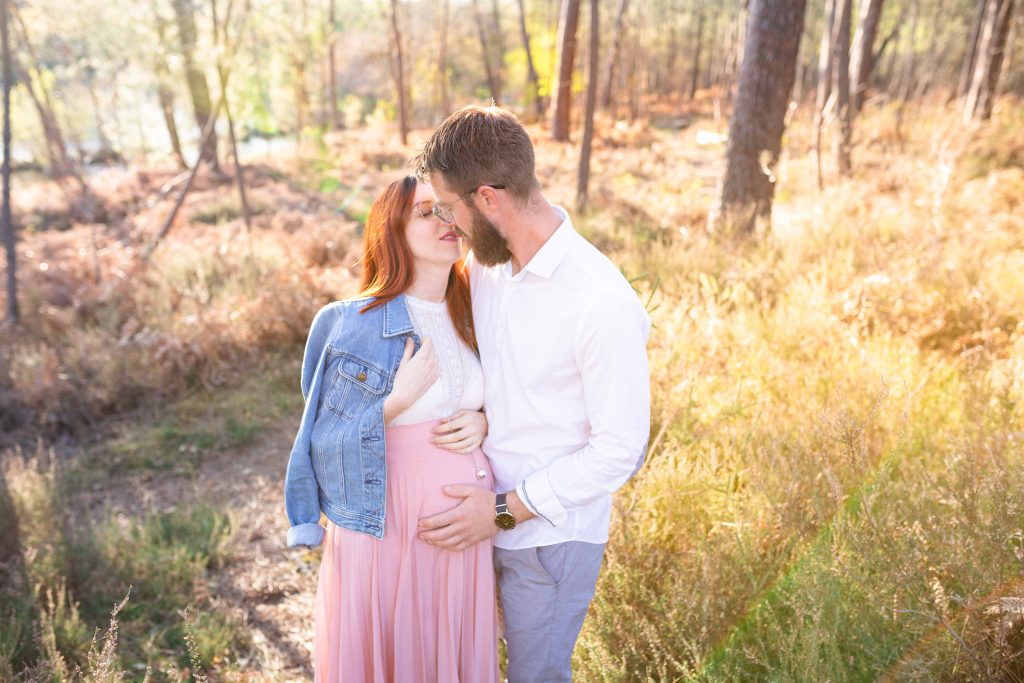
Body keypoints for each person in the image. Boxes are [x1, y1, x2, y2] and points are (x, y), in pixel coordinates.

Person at [413, 105, 652, 683]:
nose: (451, 225)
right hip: (479, 520)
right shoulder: (491, 270)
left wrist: (499, 513)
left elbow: (619, 450)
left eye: (452, 209)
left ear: (488, 199)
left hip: (545, 540)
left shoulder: (599, 300)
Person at [283, 176, 500, 683]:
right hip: (390, 530)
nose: (446, 222)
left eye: (449, 209)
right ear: (393, 232)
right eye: (426, 212)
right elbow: (322, 445)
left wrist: (485, 420)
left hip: (465, 536)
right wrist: (392, 403)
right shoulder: (353, 321)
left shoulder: (472, 312)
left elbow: (501, 398)